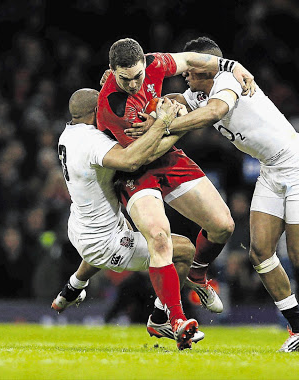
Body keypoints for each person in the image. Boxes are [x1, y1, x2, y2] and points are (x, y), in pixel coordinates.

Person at [127, 37, 299, 352]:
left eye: (192, 67)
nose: (185, 73)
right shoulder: (197, 92)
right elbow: (175, 101)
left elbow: (214, 113)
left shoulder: (228, 82)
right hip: (271, 170)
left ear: (206, 66)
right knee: (260, 253)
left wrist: (164, 126)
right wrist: (149, 105)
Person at [96, 38, 256, 330]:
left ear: (145, 63)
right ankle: (176, 320)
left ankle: (197, 275)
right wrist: (172, 122)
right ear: (111, 70)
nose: (133, 85)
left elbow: (191, 58)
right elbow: (140, 156)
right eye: (124, 79)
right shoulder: (113, 105)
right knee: (159, 238)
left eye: (137, 77)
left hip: (166, 154)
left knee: (223, 226)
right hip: (134, 170)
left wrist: (233, 66)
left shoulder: (155, 64)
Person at [51, 88, 202, 350]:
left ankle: (73, 286)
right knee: (185, 250)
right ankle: (163, 318)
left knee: (102, 244)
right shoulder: (92, 142)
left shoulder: (68, 134)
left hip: (81, 226)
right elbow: (133, 161)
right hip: (106, 242)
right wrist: (171, 126)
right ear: (96, 112)